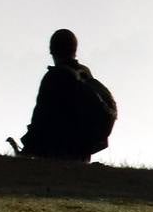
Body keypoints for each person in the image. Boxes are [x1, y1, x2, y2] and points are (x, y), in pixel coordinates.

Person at [16, 29, 116, 161]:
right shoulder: (84, 73)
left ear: (52, 51)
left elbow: (41, 117)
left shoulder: (54, 77)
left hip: (57, 151)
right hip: (82, 152)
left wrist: (28, 148)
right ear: (74, 50)